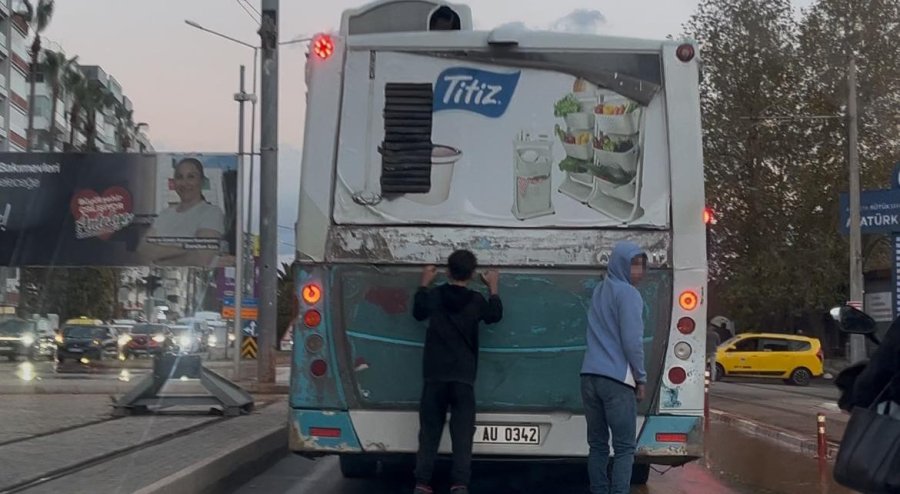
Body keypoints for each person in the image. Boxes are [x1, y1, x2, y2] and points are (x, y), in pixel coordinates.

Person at [412, 250, 503, 494]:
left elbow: (418, 311)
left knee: (429, 432)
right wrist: (493, 287)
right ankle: (459, 484)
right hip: (463, 377)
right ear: (473, 274)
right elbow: (495, 315)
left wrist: (424, 282)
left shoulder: (435, 296)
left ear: (447, 271)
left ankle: (422, 483)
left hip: (435, 375)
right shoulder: (476, 301)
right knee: (462, 436)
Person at [581, 241, 648, 494]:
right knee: (624, 448)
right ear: (621, 264)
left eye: (641, 265)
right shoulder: (629, 294)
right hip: (616, 380)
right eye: (634, 264)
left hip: (588, 377)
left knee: (597, 445)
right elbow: (632, 342)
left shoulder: (600, 290)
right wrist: (640, 378)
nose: (639, 271)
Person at [141, 157, 229, 266]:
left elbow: (201, 259)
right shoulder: (165, 214)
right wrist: (185, 248)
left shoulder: (212, 213)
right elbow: (143, 249)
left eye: (191, 176)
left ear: (201, 181)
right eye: (179, 177)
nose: (185, 183)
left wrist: (159, 257)